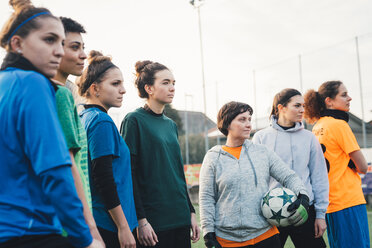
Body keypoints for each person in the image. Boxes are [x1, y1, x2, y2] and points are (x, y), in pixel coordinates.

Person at [0, 0, 98, 247]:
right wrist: (86, 238)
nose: (59, 51)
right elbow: (54, 168)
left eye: (61, 42)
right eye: (49, 40)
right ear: (17, 43)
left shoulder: (5, 84)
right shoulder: (32, 84)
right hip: (31, 231)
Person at [199, 101, 310, 248]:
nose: (248, 124)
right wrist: (208, 232)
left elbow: (289, 176)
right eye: (242, 119)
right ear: (227, 124)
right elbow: (206, 196)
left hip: (265, 237)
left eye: (249, 119)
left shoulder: (262, 152)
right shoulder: (213, 157)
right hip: (227, 240)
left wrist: (303, 196)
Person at [120, 60, 200, 248]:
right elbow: (128, 173)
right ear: (149, 88)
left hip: (180, 217)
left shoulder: (171, 125)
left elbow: (178, 173)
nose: (172, 87)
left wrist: (190, 212)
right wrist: (141, 220)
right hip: (154, 222)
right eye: (165, 83)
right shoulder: (133, 121)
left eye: (173, 83)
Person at [252, 88, 329, 248]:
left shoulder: (309, 138)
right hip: (271, 213)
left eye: (303, 106)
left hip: (304, 210)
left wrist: (320, 215)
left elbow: (319, 177)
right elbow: (255, 178)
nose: (302, 110)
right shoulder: (261, 137)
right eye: (297, 105)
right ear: (281, 108)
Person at [53, 17, 105, 247]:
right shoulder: (59, 94)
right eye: (75, 47)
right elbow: (69, 164)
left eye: (83, 47)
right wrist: (90, 227)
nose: (83, 55)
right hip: (70, 222)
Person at [77, 50, 137, 248]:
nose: (123, 90)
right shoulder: (101, 121)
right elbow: (102, 176)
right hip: (108, 225)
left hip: (97, 221)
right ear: (95, 89)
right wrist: (123, 226)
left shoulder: (83, 118)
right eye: (115, 84)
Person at [304, 81, 370, 248]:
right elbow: (362, 167)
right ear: (329, 101)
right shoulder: (339, 125)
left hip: (329, 203)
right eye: (344, 94)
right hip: (348, 200)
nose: (349, 98)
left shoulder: (317, 126)